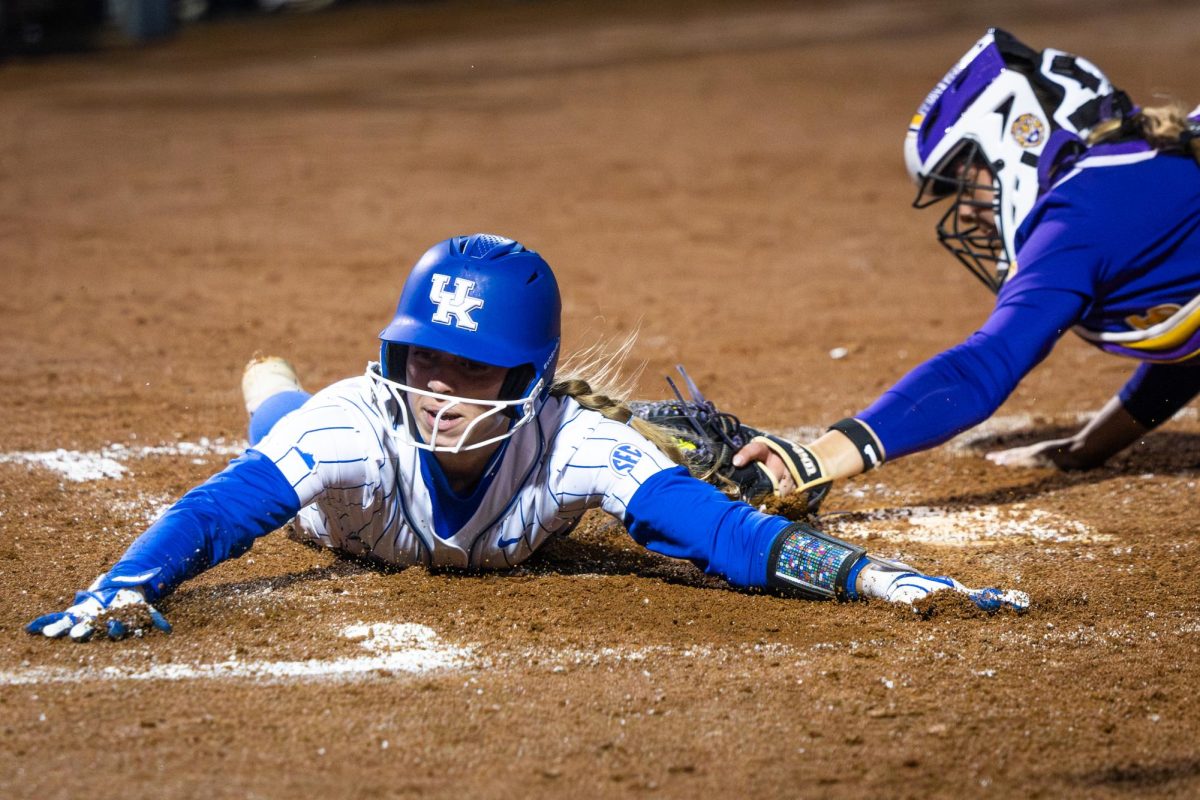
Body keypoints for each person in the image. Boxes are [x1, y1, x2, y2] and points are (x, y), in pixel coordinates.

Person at [27, 234, 1026, 642]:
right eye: (422, 359)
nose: (437, 390)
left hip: (485, 474)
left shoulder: (574, 442)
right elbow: (218, 512)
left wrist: (875, 575)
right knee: (286, 421)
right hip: (329, 493)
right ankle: (267, 380)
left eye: (469, 368)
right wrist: (131, 577)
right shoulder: (357, 422)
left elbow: (723, 533)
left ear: (530, 379)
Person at [736, 28, 1200, 501]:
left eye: (966, 176)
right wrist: (1088, 447)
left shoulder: (1080, 218)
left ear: (1024, 135)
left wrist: (821, 457)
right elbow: (1190, 352)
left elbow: (981, 369)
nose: (972, 210)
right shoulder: (1138, 175)